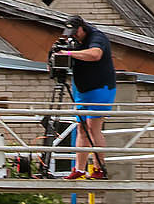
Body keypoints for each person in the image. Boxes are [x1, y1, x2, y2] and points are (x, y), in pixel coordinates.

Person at [50, 14, 116, 180]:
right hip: (82, 89)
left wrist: (70, 53)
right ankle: (79, 169)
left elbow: (95, 54)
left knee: (93, 127)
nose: (73, 35)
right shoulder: (74, 42)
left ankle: (98, 168)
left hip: (100, 88)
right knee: (81, 128)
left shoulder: (97, 37)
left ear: (82, 28)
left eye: (75, 32)